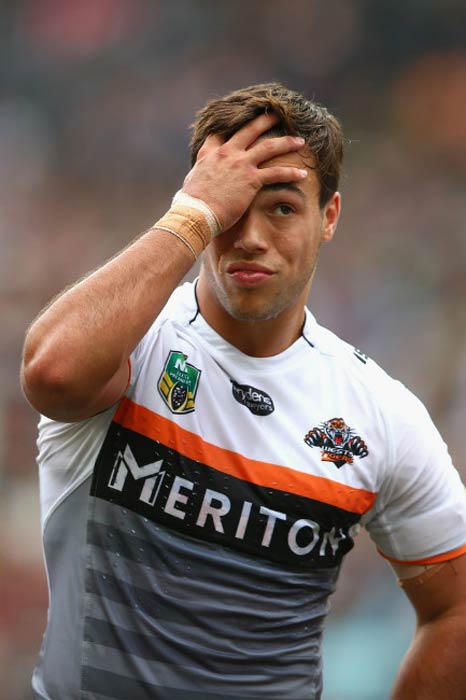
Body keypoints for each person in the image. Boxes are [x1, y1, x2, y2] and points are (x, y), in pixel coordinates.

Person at [21, 83, 466, 700]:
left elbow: (455, 610)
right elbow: (51, 377)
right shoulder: (130, 345)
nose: (249, 236)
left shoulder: (382, 415)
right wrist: (194, 214)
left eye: (281, 206)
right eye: (230, 208)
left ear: (328, 217)